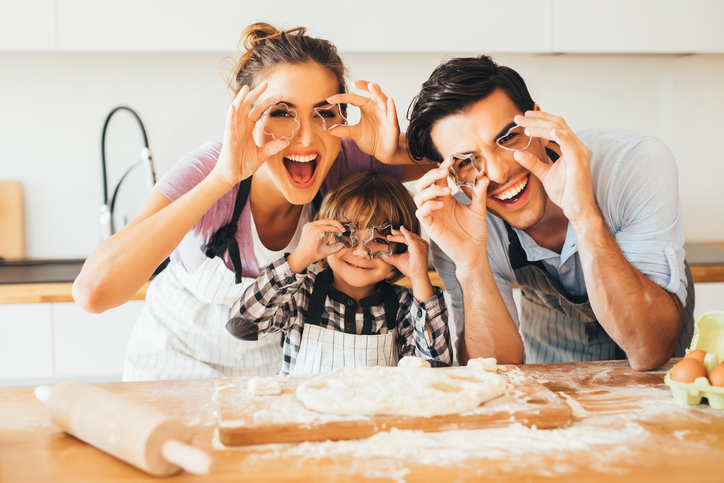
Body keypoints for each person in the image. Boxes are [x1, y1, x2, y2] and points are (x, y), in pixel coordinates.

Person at [72, 23, 427, 381]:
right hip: (173, 366)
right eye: (281, 112)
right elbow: (92, 293)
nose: (305, 137)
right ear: (246, 117)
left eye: (324, 113)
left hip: (274, 378)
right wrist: (222, 179)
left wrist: (394, 150)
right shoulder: (208, 169)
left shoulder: (344, 159)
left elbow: (465, 156)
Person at [406, 55, 694, 371]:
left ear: (539, 124)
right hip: (553, 342)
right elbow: (491, 368)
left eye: (508, 138)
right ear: (451, 175)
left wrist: (584, 214)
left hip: (656, 334)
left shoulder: (631, 165)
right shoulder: (456, 221)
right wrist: (470, 262)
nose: (499, 173)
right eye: (465, 161)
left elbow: (648, 350)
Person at [226, 171, 452, 374]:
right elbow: (242, 326)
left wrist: (420, 278)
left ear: (402, 246)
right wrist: (300, 257)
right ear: (325, 232)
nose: (362, 252)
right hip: (304, 418)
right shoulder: (300, 294)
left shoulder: (404, 305)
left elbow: (435, 369)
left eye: (380, 239)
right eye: (347, 233)